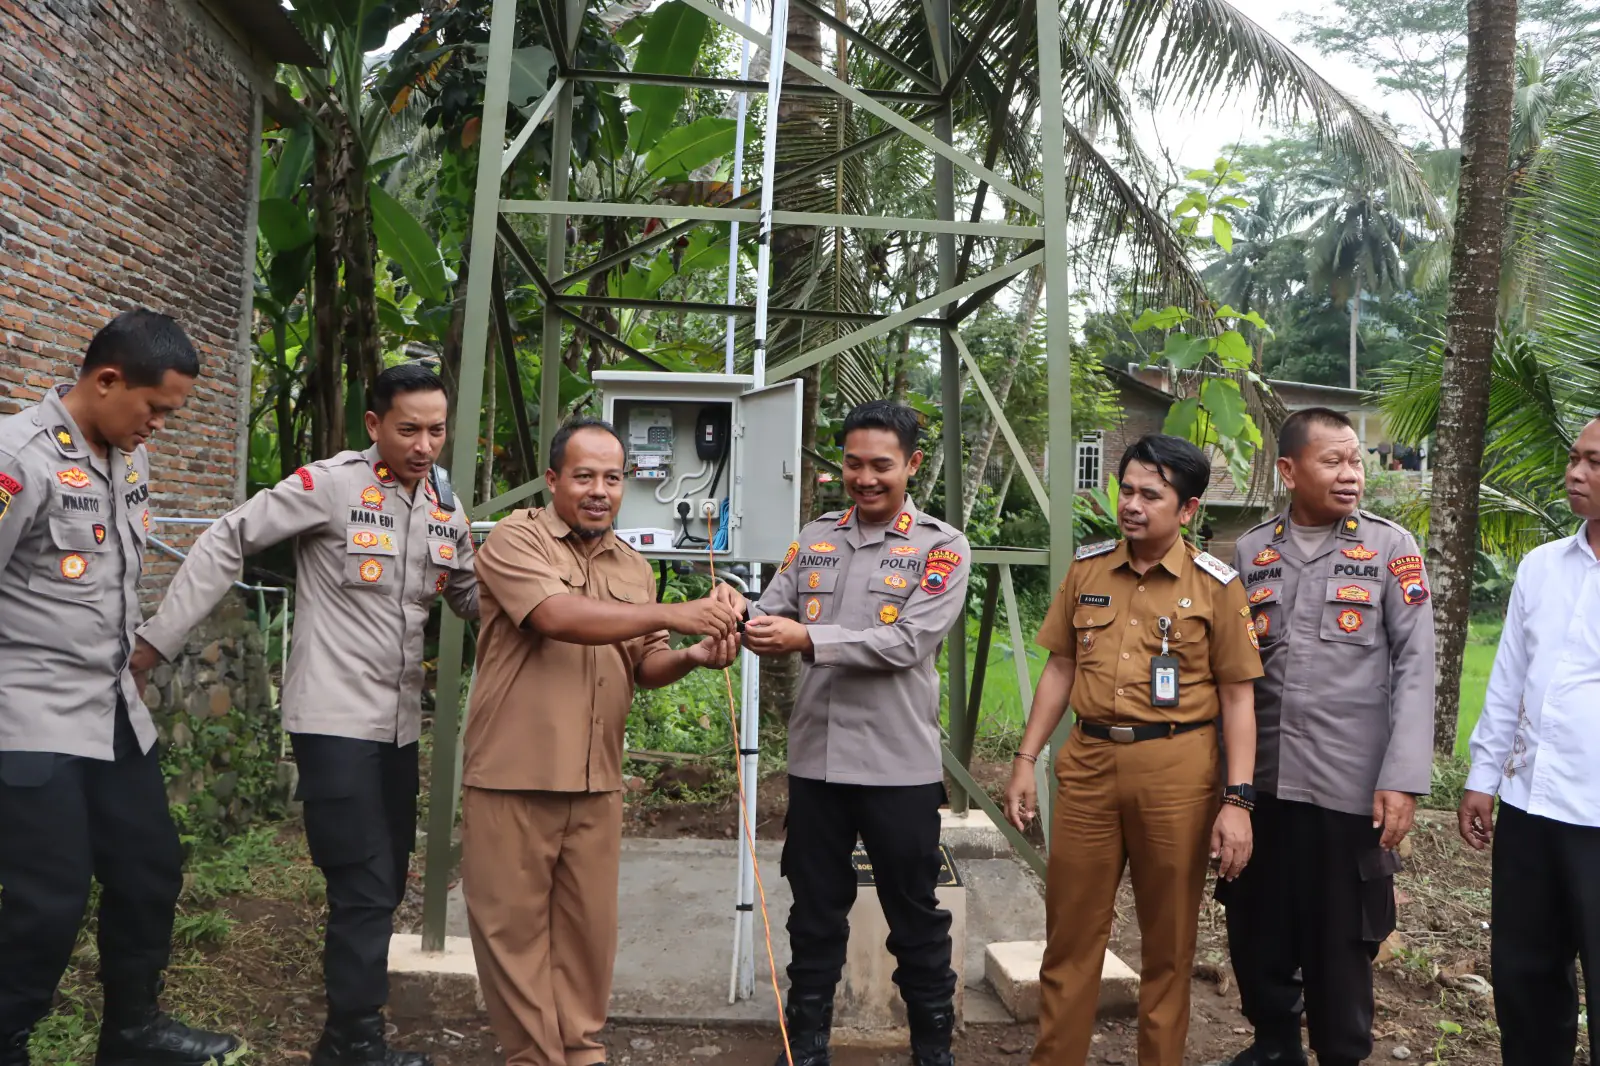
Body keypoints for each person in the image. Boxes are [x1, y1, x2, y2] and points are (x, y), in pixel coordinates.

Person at [132, 362, 478, 1066]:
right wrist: (155, 642)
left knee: (384, 878)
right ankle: (355, 1039)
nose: (424, 445)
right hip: (333, 722)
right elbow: (229, 536)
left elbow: (474, 594)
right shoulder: (329, 486)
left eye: (436, 430)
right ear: (375, 424)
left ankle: (346, 1036)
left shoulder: (443, 502)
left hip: (400, 727)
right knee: (363, 878)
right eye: (408, 429)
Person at [0, 309, 244, 1066]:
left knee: (148, 868)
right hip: (28, 716)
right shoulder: (18, 458)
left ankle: (133, 1033)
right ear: (106, 380)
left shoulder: (125, 455)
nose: (159, 427)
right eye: (156, 409)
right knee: (51, 897)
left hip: (110, 710)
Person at [460, 416, 741, 1066]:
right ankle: (536, 1059)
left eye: (612, 478)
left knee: (589, 939)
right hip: (512, 777)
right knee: (514, 938)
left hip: (596, 784)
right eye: (583, 476)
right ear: (554, 479)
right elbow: (555, 616)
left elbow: (645, 663)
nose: (599, 490)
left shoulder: (633, 568)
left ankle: (583, 1052)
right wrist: (675, 612)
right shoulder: (515, 539)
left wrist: (695, 654)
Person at [720, 400, 972, 1066]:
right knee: (813, 913)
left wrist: (807, 637)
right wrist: (733, 609)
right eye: (854, 463)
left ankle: (932, 1053)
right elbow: (770, 611)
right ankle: (804, 1049)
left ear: (911, 465)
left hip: (898, 769)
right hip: (818, 764)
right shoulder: (816, 538)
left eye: (881, 465)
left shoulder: (941, 548)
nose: (866, 478)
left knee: (915, 915)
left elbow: (907, 642)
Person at [1003, 433, 1260, 1066]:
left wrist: (1238, 801)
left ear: (1188, 509)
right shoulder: (1088, 571)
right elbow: (1061, 669)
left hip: (1177, 771)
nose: (1133, 505)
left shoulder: (1215, 587)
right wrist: (1025, 759)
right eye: (1128, 490)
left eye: (1152, 494)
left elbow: (1238, 701)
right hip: (1088, 767)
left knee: (1168, 946)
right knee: (1070, 934)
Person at [1221, 408, 1435, 1066]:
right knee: (1256, 930)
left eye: (1356, 461)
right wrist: (1227, 791)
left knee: (1341, 946)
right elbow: (1230, 675)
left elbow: (1417, 666)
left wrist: (1401, 777)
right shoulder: (1250, 552)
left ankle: (1342, 1054)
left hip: (1348, 791)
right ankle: (1275, 1046)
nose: (1351, 475)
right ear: (1288, 471)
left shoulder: (1391, 548)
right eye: (1332, 461)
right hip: (1266, 785)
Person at [1458, 415, 1600, 1066]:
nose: (1575, 472)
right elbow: (1510, 678)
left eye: (1594, 462)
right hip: (1529, 811)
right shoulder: (1543, 568)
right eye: (1575, 458)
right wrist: (1485, 778)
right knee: (1525, 979)